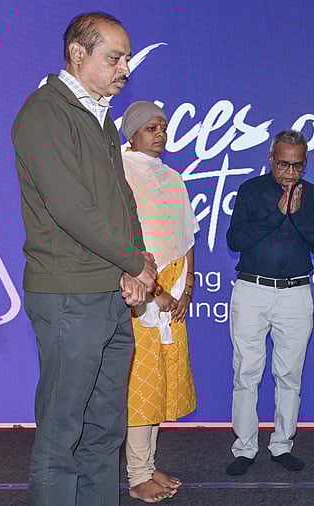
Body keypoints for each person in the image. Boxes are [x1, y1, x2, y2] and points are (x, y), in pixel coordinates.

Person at [11, 12, 158, 505]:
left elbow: (121, 200)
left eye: (127, 59)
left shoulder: (100, 117)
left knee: (104, 433)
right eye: (114, 58)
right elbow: (70, 208)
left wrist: (134, 263)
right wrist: (133, 264)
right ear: (78, 53)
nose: (125, 69)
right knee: (62, 437)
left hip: (109, 293)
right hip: (68, 295)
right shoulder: (44, 113)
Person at [225, 129, 314, 476]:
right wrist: (278, 213)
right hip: (252, 289)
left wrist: (297, 215)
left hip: (296, 293)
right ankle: (244, 448)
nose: (289, 172)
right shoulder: (251, 190)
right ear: (271, 159)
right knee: (246, 372)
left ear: (305, 163)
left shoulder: (313, 196)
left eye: (297, 166)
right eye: (283, 164)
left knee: (289, 374)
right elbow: (235, 239)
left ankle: (282, 444)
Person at [120, 101, 199, 503]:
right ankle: (137, 475)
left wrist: (187, 288)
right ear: (132, 133)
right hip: (141, 292)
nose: (160, 134)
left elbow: (187, 237)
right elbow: (125, 241)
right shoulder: (120, 171)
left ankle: (148, 467)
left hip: (174, 290)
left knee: (159, 383)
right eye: (151, 128)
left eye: (163, 127)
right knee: (141, 383)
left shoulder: (172, 177)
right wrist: (156, 291)